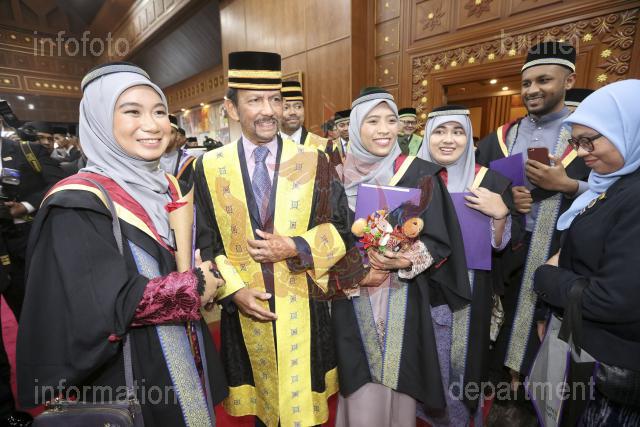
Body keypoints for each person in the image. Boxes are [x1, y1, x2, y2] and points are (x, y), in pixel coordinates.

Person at [17, 62, 227, 426]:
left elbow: (204, 247)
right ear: (99, 121)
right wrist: (191, 287)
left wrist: (209, 272)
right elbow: (95, 307)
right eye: (132, 112)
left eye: (159, 112)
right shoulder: (76, 204)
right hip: (127, 373)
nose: (153, 125)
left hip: (188, 355)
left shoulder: (171, 187)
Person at [193, 51, 365, 427]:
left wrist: (296, 246)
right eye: (255, 100)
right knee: (262, 410)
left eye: (275, 99)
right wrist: (234, 291)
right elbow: (205, 241)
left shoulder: (315, 159)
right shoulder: (208, 166)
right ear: (231, 108)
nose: (269, 111)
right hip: (244, 308)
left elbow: (342, 228)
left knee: (303, 411)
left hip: (304, 304)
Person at [333, 88, 470, 427]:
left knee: (401, 383)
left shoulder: (421, 174)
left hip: (403, 299)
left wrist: (405, 260)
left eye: (391, 120)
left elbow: (441, 239)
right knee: (359, 384)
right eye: (372, 121)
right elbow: (324, 238)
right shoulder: (334, 177)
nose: (384, 129)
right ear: (355, 127)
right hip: (352, 299)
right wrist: (354, 269)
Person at [475, 42, 591, 399]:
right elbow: (478, 188)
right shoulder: (502, 137)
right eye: (526, 83)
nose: (532, 90)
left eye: (544, 80)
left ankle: (534, 398)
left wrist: (569, 185)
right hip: (506, 252)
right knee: (500, 323)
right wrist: (508, 201)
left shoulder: (586, 136)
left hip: (560, 253)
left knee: (543, 330)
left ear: (568, 80)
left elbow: (616, 193)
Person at [534, 79, 640, 426]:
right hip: (585, 347)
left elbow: (614, 299)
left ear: (628, 129)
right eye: (576, 142)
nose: (580, 153)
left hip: (612, 373)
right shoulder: (611, 184)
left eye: (589, 140)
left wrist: (547, 278)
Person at [416, 105, 513, 425]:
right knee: (420, 359)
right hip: (416, 288)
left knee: (458, 366)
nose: (448, 139)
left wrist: (501, 214)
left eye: (458, 131)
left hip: (467, 293)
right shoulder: (410, 177)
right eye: (440, 131)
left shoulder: (488, 180)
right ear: (427, 136)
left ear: (469, 137)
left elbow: (499, 245)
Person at [159, 114, 195, 183]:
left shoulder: (187, 160)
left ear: (177, 135)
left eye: (171, 132)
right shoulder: (150, 160)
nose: (166, 136)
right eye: (163, 132)